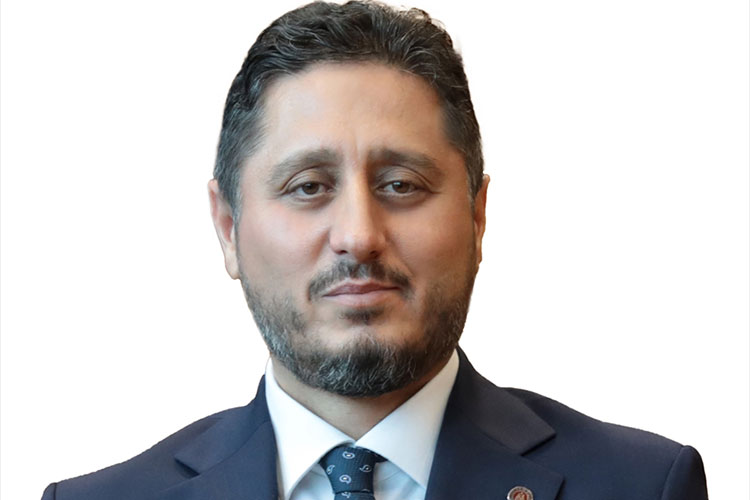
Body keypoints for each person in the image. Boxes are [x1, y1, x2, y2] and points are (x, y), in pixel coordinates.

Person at [41, 1, 709, 499]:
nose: (359, 235)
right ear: (227, 228)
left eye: (401, 184)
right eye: (308, 186)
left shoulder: (643, 485)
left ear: (477, 217)